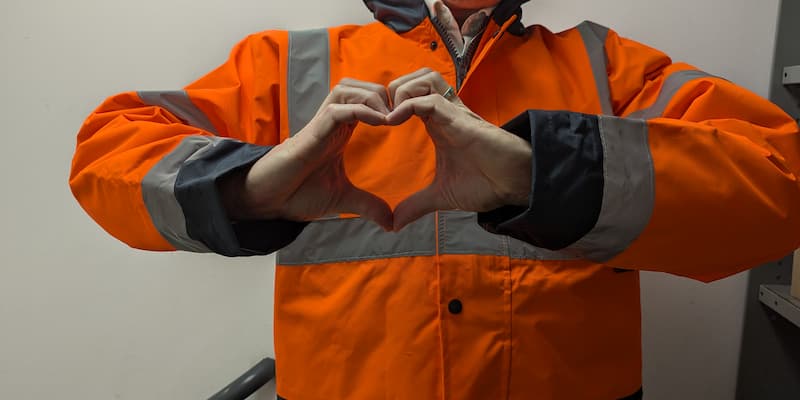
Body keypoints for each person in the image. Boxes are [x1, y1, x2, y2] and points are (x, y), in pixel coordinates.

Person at [69, 0, 800, 398]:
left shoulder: (604, 66)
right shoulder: (285, 68)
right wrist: (251, 187)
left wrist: (542, 175)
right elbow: (107, 151)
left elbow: (780, 185)